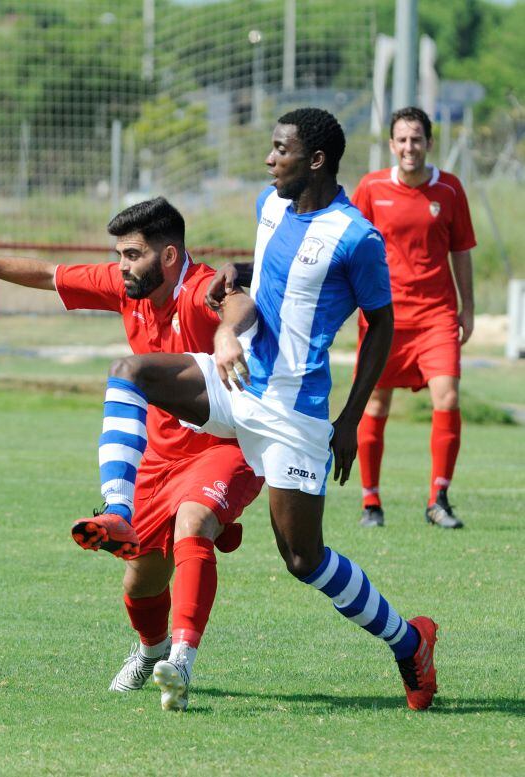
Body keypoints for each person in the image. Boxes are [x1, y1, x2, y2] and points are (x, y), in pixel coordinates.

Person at [99, 108, 439, 711]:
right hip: (237, 385)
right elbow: (279, 275)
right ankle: (119, 511)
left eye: (280, 150)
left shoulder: (355, 236)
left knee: (303, 559)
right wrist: (239, 274)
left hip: (294, 414)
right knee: (130, 373)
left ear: (315, 161)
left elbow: (381, 324)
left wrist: (349, 420)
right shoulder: (272, 204)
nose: (268, 160)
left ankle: (410, 642)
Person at [0, 197, 263, 711]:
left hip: (224, 446)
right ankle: (152, 650)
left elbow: (237, 301)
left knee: (194, 523)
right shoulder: (129, 284)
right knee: (141, 579)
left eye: (132, 255)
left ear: (169, 257)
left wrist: (226, 331)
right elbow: (47, 275)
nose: (121, 267)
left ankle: (183, 661)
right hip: (158, 457)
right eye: (120, 255)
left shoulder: (199, 287)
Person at [351, 106, 476, 529]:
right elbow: (350, 246)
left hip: (437, 316)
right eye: (402, 139)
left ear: (429, 143)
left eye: (417, 139)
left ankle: (438, 498)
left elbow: (461, 251)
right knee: (376, 402)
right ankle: (371, 502)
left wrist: (468, 308)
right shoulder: (371, 188)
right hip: (384, 318)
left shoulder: (451, 190)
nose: (410, 147)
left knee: (449, 397)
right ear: (391, 145)